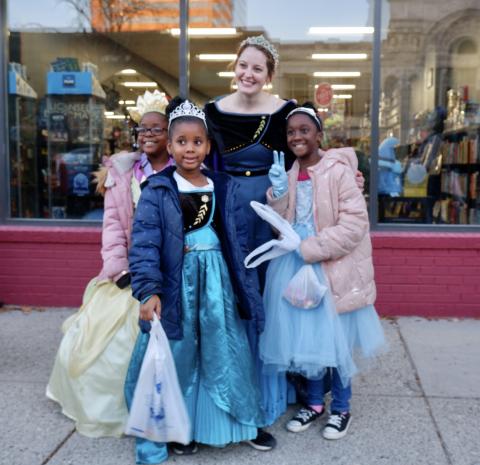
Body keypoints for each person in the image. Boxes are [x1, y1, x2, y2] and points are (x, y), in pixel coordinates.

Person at [204, 35, 366, 436]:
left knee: (282, 299)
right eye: (243, 65)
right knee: (236, 288)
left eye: (258, 68)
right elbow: (192, 156)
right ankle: (240, 376)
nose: (249, 73)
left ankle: (294, 386)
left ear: (269, 75)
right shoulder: (212, 111)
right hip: (230, 207)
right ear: (234, 66)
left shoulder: (285, 112)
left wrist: (347, 169)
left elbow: (311, 153)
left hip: (279, 210)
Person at [125, 98, 266, 464]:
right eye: (182, 141)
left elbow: (236, 238)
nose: (191, 149)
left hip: (216, 280)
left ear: (208, 145)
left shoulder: (222, 185)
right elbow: (145, 243)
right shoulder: (157, 189)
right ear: (170, 146)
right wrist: (148, 290)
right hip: (177, 285)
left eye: (198, 141)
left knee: (223, 348)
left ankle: (225, 424)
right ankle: (178, 429)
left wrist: (244, 285)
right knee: (179, 353)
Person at [46, 90, 171, 437]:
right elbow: (113, 227)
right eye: (142, 129)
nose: (146, 135)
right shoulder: (123, 173)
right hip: (130, 275)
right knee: (101, 342)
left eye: (156, 129)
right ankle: (121, 409)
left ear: (171, 133)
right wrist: (119, 270)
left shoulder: (185, 171)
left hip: (172, 273)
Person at [261, 106, 386, 440]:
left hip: (332, 265)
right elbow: (284, 220)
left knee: (337, 341)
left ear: (319, 135)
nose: (297, 137)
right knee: (309, 337)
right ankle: (314, 403)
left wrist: (311, 248)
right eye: (291, 132)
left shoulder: (338, 171)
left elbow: (355, 223)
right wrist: (277, 194)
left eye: (304, 130)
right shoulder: (289, 171)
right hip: (295, 266)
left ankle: (341, 408)